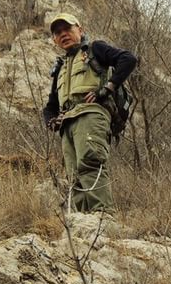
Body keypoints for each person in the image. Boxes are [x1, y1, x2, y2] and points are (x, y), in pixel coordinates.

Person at [42, 13, 137, 213]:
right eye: (58, 32)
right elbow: (50, 106)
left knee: (90, 162)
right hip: (68, 124)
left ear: (80, 30)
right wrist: (51, 121)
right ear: (54, 40)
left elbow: (128, 59)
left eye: (67, 29)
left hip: (91, 115)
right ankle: (84, 222)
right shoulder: (60, 67)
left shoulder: (95, 49)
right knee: (73, 175)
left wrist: (107, 89)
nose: (63, 34)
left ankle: (102, 217)